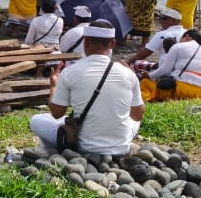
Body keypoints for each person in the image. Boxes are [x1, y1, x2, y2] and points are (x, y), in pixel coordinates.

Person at [29, 20, 144, 156]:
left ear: (86, 43)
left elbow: (57, 113)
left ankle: (53, 152)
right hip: (121, 147)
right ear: (112, 44)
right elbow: (137, 115)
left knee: (36, 120)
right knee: (132, 121)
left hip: (86, 146)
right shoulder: (129, 74)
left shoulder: (69, 72)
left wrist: (54, 86)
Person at [141, 28, 201, 102]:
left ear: (187, 36)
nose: (179, 41)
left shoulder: (178, 46)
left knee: (145, 82)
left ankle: (147, 101)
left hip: (185, 89)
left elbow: (165, 70)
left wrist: (149, 75)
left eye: (181, 38)